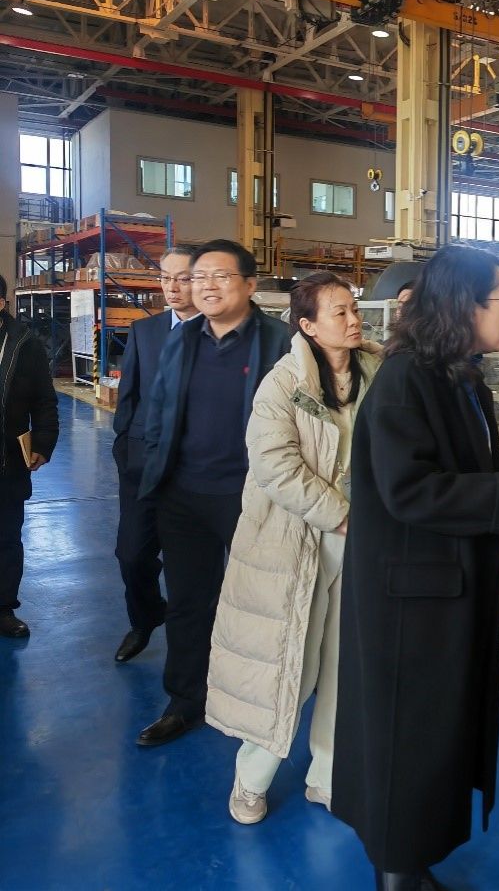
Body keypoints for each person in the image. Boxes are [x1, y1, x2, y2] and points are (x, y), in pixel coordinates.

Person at [332, 245, 499, 891]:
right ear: (465, 305)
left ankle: (411, 860)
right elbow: (411, 490)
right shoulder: (404, 382)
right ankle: (397, 873)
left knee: (435, 739)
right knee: (408, 740)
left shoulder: (461, 378)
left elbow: (469, 469)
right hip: (409, 605)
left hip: (444, 593)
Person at [205, 272, 381, 825]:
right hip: (297, 541)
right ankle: (251, 781)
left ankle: (327, 777)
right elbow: (275, 466)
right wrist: (342, 515)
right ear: (307, 325)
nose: (353, 320)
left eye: (354, 309)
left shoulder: (376, 371)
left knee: (345, 665)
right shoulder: (282, 384)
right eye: (339, 313)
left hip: (362, 541)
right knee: (291, 666)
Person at [135, 239, 290, 747]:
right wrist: (158, 474)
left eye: (220, 276)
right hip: (183, 495)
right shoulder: (182, 339)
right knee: (187, 603)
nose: (206, 286)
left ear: (250, 284)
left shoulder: (282, 342)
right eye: (199, 277)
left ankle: (262, 705)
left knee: (262, 604)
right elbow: (159, 412)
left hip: (251, 497)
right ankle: (185, 702)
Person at [111, 246, 199, 663]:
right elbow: (129, 396)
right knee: (131, 554)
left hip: (196, 472)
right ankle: (145, 618)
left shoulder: (220, 334)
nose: (172, 287)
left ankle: (191, 647)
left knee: (191, 568)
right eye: (165, 278)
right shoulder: (145, 331)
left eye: (183, 278)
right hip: (142, 465)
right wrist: (124, 447)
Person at [0, 274, 59, 640]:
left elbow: (44, 399)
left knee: (6, 537)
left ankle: (3, 608)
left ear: (1, 303)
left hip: (7, 460)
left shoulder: (24, 344)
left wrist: (43, 443)